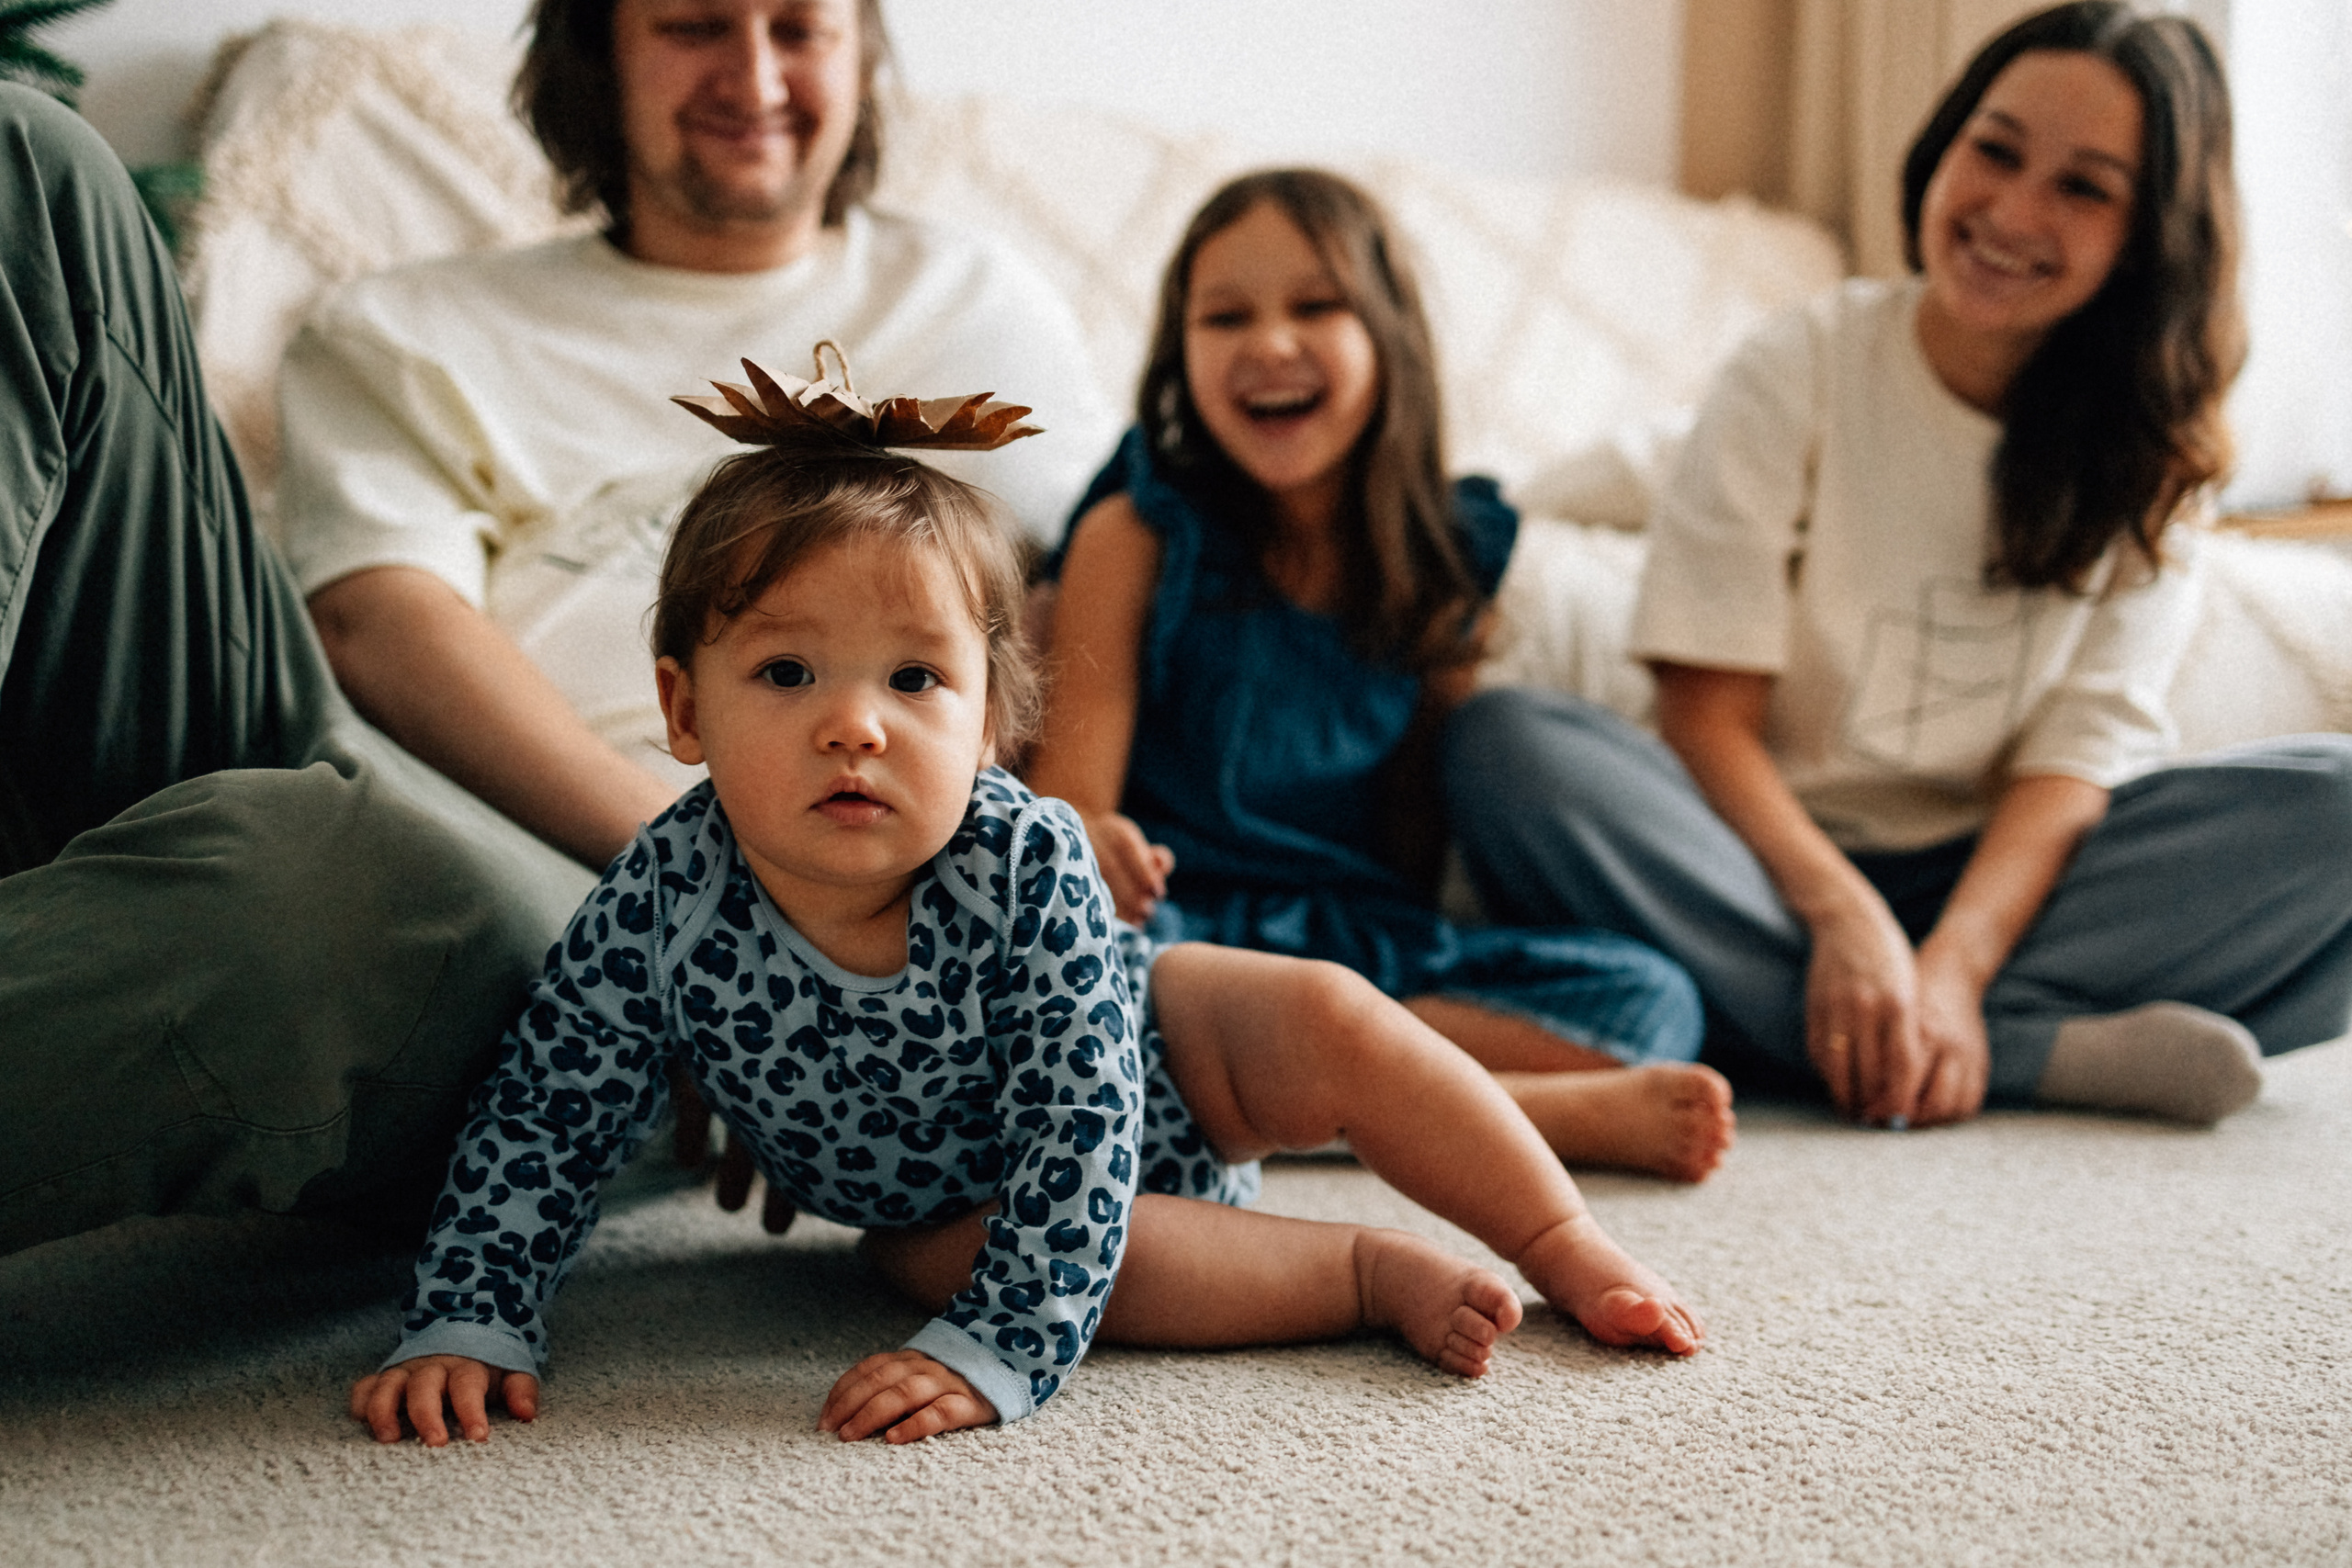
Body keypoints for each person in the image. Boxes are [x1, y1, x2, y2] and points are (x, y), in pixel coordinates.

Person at [347, 406, 1705, 1449]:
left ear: (993, 719)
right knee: (934, 1258)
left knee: (1326, 1009)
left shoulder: (1025, 856)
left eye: (916, 676)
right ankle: (1360, 1268)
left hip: (1152, 1056)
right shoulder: (661, 892)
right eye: (785, 670)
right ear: (683, 707)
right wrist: (477, 1303)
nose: (855, 720)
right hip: (954, 1200)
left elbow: (1084, 1116)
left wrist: (1008, 1342)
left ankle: (1561, 1236)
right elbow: (550, 1106)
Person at [1444, 2, 2352, 1131]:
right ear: (1941, 145)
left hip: (2004, 883)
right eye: (1996, 149)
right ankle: (2028, 1048)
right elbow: (1707, 714)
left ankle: (1920, 1028)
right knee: (1508, 745)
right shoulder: (1799, 367)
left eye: (2084, 187)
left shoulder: (2155, 454)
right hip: (1754, 860)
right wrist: (1846, 920)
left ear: (2149, 234)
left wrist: (1956, 967)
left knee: (2339, 805)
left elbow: (2070, 768)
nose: (2011, 211)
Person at [1026, 170, 1735, 1183]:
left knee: (1651, 998)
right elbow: (1064, 815)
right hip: (1183, 934)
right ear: (1181, 357)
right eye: (1225, 316)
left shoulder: (1442, 557)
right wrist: (1101, 845)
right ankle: (1521, 1114)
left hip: (1351, 942)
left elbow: (1413, 833)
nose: (1270, 342)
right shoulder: (1134, 532)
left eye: (1316, 306)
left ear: (1389, 338)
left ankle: (1333, 1081)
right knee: (1068, 1000)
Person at [0, 82, 585, 1257]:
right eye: (692, 25)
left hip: (591, 912)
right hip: (383, 738)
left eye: (800, 26)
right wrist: (722, 868)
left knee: (321, 893)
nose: (758, 77)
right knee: (23, 156)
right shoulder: (423, 317)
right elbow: (381, 618)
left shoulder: (982, 314)